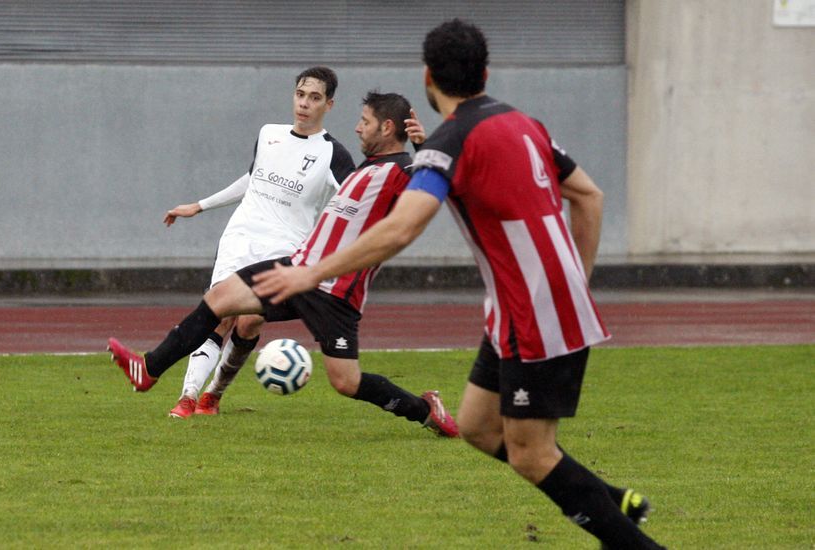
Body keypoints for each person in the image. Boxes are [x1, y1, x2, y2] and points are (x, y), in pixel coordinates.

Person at [250, 20, 664, 550]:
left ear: (428, 79)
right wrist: (575, 279)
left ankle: (631, 541)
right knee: (476, 426)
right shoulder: (524, 123)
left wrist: (311, 272)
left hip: (533, 313)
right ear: (485, 73)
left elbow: (401, 227)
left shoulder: (449, 143)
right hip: (517, 309)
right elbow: (588, 196)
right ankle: (607, 498)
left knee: (532, 453)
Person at [108, 91, 459, 438]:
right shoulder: (365, 168)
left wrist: (422, 146)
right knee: (219, 298)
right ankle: (149, 369)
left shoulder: (402, 170)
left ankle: (426, 410)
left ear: (386, 128)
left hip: (335, 293)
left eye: (364, 122)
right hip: (296, 271)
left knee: (346, 382)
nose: (357, 128)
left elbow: (448, 182)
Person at [160, 66, 355, 419]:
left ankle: (213, 396)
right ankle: (187, 397)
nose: (304, 104)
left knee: (249, 322)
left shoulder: (333, 155)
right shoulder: (269, 134)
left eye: (314, 98)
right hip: (242, 236)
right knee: (220, 312)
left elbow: (358, 203)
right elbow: (253, 179)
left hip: (285, 248)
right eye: (300, 94)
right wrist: (200, 206)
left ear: (329, 104)